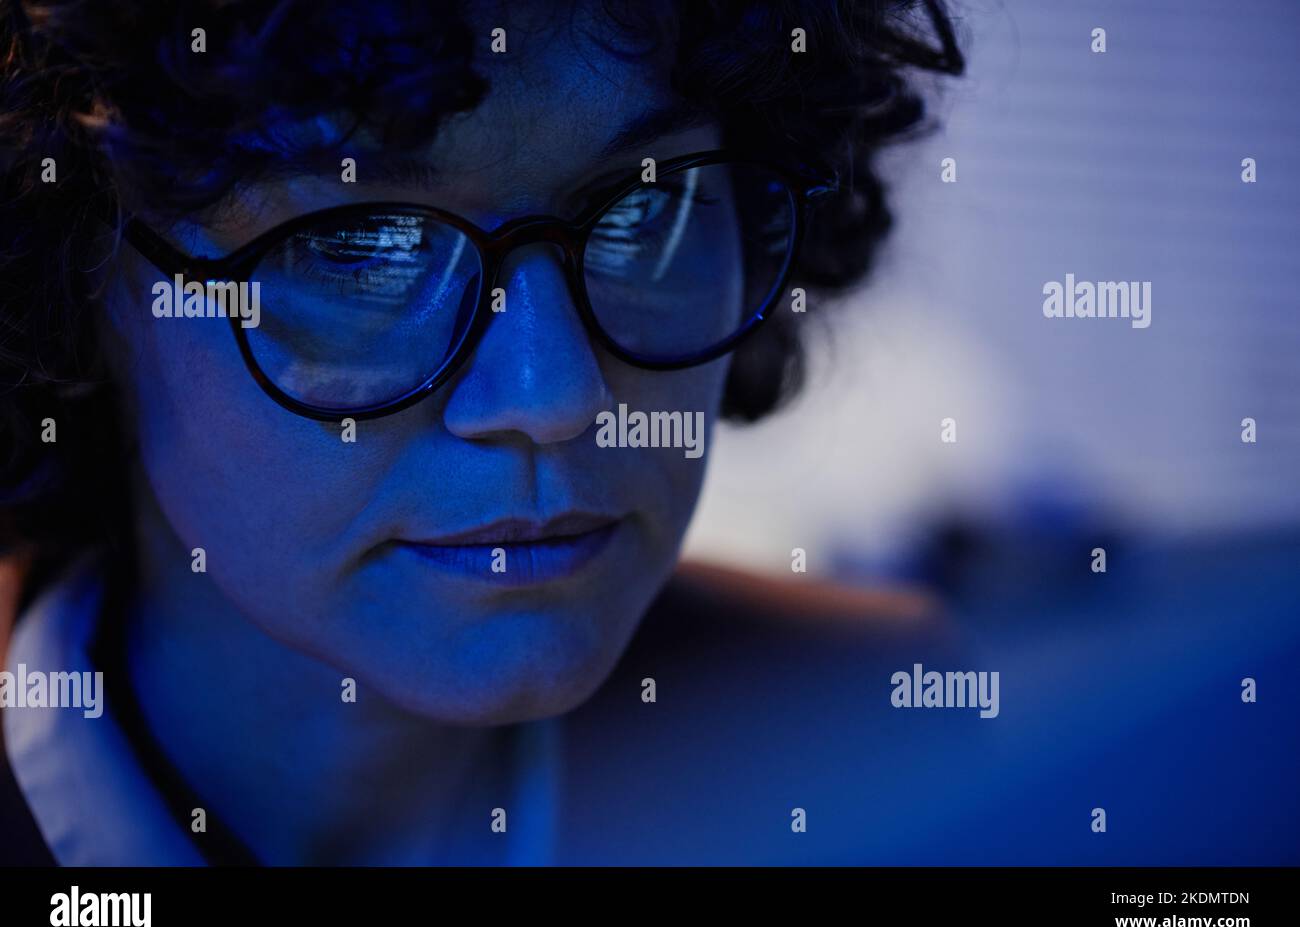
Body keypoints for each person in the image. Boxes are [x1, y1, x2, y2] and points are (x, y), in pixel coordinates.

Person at [0, 0, 961, 865]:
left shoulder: (889, 748)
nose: (554, 395)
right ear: (86, 276)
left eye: (646, 209)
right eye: (364, 247)